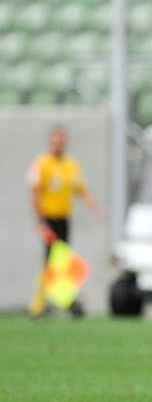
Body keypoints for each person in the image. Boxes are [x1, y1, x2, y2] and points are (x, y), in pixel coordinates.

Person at [27, 125, 104, 318]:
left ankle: (64, 299)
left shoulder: (71, 165)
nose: (58, 144)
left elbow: (81, 190)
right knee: (50, 260)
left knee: (62, 261)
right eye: (55, 140)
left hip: (64, 218)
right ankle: (39, 304)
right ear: (50, 142)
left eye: (61, 140)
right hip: (49, 218)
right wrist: (40, 221)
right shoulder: (42, 164)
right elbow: (35, 193)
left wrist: (95, 208)